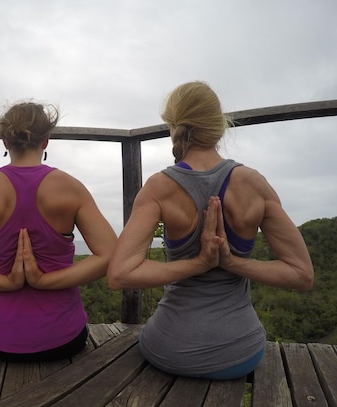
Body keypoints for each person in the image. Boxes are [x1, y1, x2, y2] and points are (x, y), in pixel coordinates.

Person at [107, 81, 314, 380]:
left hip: (168, 349)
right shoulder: (254, 184)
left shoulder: (159, 187)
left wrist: (197, 263)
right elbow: (302, 275)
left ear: (173, 125)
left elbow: (120, 274)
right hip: (241, 351)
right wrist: (231, 262)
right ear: (219, 127)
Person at [0, 101, 117, 362]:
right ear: (46, 141)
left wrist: (6, 282)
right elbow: (111, 255)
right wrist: (44, 280)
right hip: (63, 339)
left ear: (5, 142)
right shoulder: (70, 187)